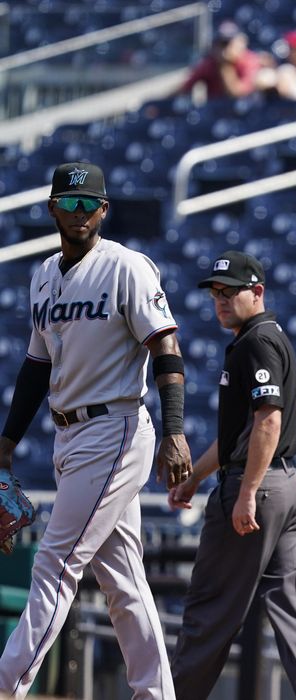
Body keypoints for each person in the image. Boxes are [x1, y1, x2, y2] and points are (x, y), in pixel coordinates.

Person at [0, 162, 192, 699]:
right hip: (69, 436)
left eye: (91, 204)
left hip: (116, 429)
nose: (80, 212)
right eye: (71, 202)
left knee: (54, 562)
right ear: (52, 208)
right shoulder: (43, 275)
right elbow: (36, 367)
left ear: (104, 211)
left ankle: (6, 685)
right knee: (124, 581)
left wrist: (175, 430)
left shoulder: (127, 267)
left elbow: (167, 350)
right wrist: (7, 444)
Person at [168, 252, 296, 700]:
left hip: (258, 490)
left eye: (230, 292)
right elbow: (241, 432)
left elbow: (267, 421)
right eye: (215, 293)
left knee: (209, 613)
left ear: (257, 292)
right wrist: (195, 477)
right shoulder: (265, 336)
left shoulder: (256, 341)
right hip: (283, 486)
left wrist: (247, 491)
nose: (220, 301)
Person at [178, 20, 265, 100]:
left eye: (228, 43)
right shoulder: (209, 63)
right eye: (222, 44)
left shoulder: (250, 60)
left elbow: (237, 93)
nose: (225, 49)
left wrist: (225, 66)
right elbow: (185, 88)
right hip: (215, 111)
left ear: (241, 42)